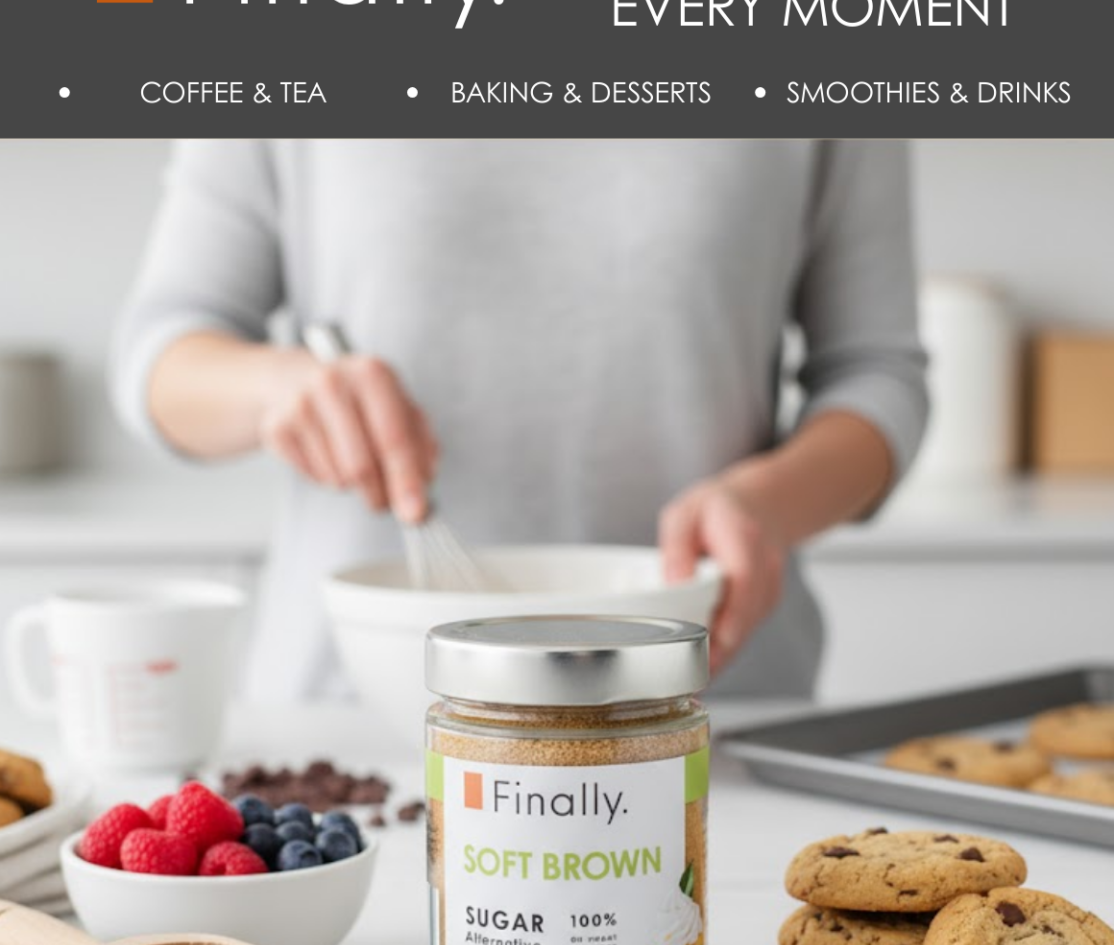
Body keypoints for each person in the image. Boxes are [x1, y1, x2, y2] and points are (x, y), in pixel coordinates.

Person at [112, 139, 928, 700]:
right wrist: (275, 390)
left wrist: (771, 502)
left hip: (708, 704)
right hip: (362, 718)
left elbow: (878, 376)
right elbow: (158, 358)